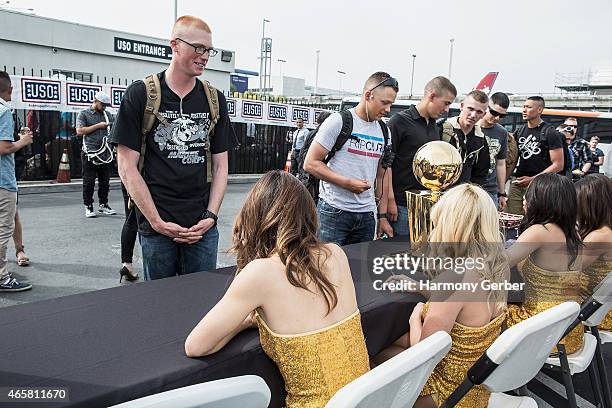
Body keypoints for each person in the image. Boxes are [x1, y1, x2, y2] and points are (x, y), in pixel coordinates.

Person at [185, 171, 370, 407]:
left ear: (256, 216)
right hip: (365, 400)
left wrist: (245, 323)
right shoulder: (336, 253)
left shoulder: (260, 272)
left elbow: (196, 346)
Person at [114, 16, 235, 280]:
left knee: (201, 304)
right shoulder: (141, 94)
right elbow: (126, 166)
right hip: (156, 227)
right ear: (175, 46)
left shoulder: (215, 99)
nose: (205, 56)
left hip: (201, 228)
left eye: (209, 50)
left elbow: (221, 165)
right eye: (198, 47)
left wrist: (211, 216)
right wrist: (157, 222)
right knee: (162, 306)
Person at [378, 184, 509, 407]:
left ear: (451, 226)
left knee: (372, 356)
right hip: (473, 387)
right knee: (387, 342)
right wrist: (420, 288)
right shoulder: (497, 265)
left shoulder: (454, 276)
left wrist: (414, 317)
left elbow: (423, 353)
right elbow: (466, 303)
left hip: (444, 393)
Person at [304, 71, 397, 245]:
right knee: (327, 269)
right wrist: (346, 183)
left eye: (391, 104)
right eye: (384, 103)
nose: (388, 110)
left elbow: (381, 176)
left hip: (367, 215)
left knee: (360, 270)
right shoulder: (339, 121)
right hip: (333, 212)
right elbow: (310, 163)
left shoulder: (385, 131)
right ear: (368, 95)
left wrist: (381, 216)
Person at [506, 173, 583, 354]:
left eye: (530, 194)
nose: (524, 199)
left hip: (542, 331)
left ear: (542, 201)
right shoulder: (574, 232)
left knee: (482, 315)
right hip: (569, 330)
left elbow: (498, 263)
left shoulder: (541, 231)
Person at [386, 76, 457, 237]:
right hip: (402, 205)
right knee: (400, 256)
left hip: (427, 204)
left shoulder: (434, 125)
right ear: (431, 96)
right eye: (446, 103)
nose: (447, 109)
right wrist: (390, 201)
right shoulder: (399, 121)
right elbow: (385, 165)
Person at [0, 70, 33, 292]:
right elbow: (4, 148)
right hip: (3, 181)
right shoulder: (3, 111)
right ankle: (1, 277)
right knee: (3, 229)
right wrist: (23, 141)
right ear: (10, 89)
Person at [507, 97, 565, 215]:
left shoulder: (550, 132)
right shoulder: (520, 131)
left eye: (528, 107)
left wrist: (533, 179)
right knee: (513, 218)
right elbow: (513, 159)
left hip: (540, 185)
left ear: (539, 110)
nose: (524, 110)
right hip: (518, 182)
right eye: (523, 106)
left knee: (535, 219)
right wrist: (503, 183)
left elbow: (558, 164)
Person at [575, 174, 612, 330]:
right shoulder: (605, 230)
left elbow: (565, 269)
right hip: (601, 307)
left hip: (589, 310)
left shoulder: (599, 236)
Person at [76, 91, 116, 218]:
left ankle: (103, 204)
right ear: (96, 101)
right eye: (102, 104)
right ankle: (88, 205)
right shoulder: (84, 114)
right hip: (90, 153)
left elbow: (115, 129)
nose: (104, 107)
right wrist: (98, 126)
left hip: (105, 153)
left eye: (105, 105)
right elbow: (80, 131)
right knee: (89, 181)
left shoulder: (108, 115)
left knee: (105, 181)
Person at [439, 90, 490, 187]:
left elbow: (480, 175)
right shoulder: (442, 129)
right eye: (470, 109)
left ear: (484, 115)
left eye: (479, 112)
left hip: (464, 195)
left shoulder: (482, 140)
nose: (473, 115)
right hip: (439, 192)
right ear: (462, 106)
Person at [478, 92, 509, 210]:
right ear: (486, 107)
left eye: (502, 116)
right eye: (494, 113)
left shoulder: (502, 132)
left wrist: (502, 193)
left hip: (490, 189)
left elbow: (501, 163)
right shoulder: (472, 127)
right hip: (469, 186)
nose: (497, 118)